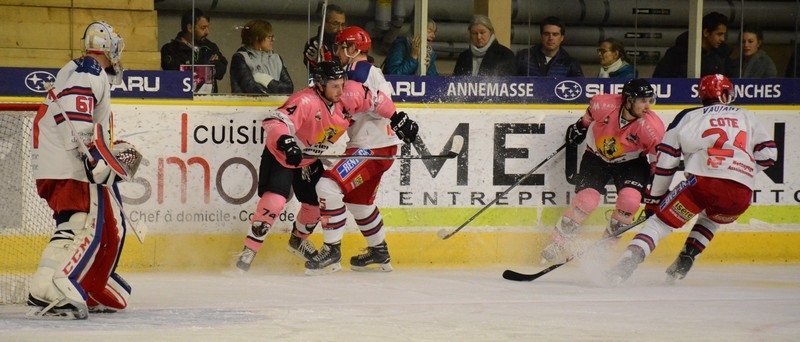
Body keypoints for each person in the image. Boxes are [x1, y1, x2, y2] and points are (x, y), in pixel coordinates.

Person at [234, 61, 417, 273]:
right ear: (320, 85)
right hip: (283, 156)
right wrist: (286, 141)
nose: (341, 90)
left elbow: (376, 99)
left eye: (342, 84)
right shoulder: (305, 101)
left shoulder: (348, 93)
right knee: (275, 201)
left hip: (309, 159)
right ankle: (247, 254)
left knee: (314, 205)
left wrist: (397, 117)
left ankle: (298, 242)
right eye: (334, 86)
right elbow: (275, 120)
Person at [607, 74, 777, 284]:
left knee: (659, 223)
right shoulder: (746, 115)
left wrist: (655, 199)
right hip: (741, 194)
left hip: (703, 185)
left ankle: (627, 264)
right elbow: (769, 156)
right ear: (724, 94)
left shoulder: (688, 117)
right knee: (711, 218)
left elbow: (666, 162)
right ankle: (686, 259)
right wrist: (741, 171)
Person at [28, 21, 143, 319]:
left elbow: (82, 120)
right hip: (67, 160)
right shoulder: (87, 71)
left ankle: (81, 283)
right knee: (78, 223)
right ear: (108, 47)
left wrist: (102, 153)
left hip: (61, 157)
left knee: (91, 224)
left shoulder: (83, 70)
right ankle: (46, 287)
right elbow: (77, 121)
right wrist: (94, 158)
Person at [302, 26, 418, 275]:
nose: (336, 53)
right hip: (377, 147)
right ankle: (380, 252)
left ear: (353, 48)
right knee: (359, 203)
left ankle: (332, 251)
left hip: (371, 147)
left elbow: (352, 101)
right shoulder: (361, 71)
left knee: (327, 187)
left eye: (339, 48)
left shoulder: (359, 70)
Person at [539, 79, 665, 264]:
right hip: (596, 157)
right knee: (586, 200)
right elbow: (589, 115)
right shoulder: (603, 104)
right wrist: (581, 126)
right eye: (642, 100)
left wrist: (655, 190)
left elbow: (657, 162)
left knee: (630, 201)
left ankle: (604, 248)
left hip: (632, 162)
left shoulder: (653, 128)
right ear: (628, 101)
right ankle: (557, 242)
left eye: (650, 100)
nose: (648, 106)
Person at [160, 8, 228, 93]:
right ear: (190, 28)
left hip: (208, 103)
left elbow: (221, 70)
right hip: (182, 102)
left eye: (207, 27)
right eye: (203, 28)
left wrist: (195, 69)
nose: (207, 32)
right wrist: (208, 66)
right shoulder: (170, 49)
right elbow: (178, 75)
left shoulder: (210, 46)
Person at [652, 12, 733, 78]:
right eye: (719, 34)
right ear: (706, 33)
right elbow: (660, 81)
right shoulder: (678, 53)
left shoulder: (722, 55)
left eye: (724, 35)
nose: (722, 39)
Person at [229, 19, 293, 94]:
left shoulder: (276, 58)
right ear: (257, 38)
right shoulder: (240, 58)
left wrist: (268, 81)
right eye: (269, 37)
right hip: (251, 105)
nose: (273, 40)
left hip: (277, 105)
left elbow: (289, 88)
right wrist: (276, 90)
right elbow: (252, 90)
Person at [516, 16, 583, 77]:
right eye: (546, 34)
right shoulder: (523, 57)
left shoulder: (570, 64)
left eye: (555, 34)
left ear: (562, 38)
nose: (550, 38)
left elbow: (580, 87)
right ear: (541, 36)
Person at [452, 15, 516, 76]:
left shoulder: (505, 55)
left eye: (482, 32)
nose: (479, 37)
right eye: (474, 33)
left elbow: (508, 83)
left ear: (491, 32)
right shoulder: (463, 57)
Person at [303, 4, 347, 70]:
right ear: (324, 23)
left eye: (342, 24)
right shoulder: (314, 44)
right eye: (335, 24)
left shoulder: (346, 44)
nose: (340, 29)